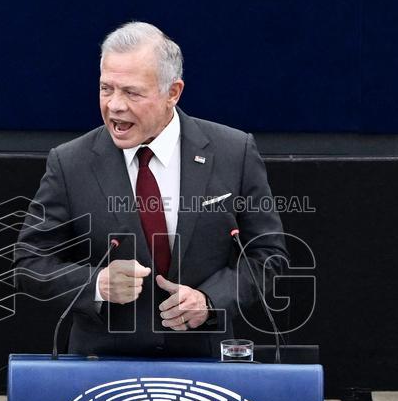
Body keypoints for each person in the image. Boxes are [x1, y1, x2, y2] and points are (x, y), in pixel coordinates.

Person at [15, 21, 287, 357]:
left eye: (131, 92)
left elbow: (268, 255)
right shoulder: (70, 163)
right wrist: (96, 284)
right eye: (106, 88)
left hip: (204, 364)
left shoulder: (234, 152)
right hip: (103, 367)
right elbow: (29, 262)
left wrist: (210, 300)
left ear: (173, 92)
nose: (114, 105)